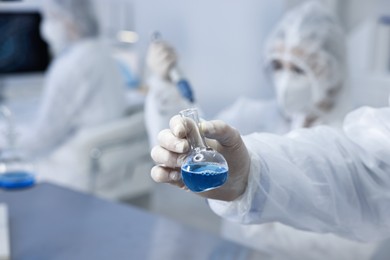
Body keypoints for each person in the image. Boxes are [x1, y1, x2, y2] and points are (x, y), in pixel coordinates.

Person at [146, 1, 375, 258]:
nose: (285, 80)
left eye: (298, 69)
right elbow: (194, 142)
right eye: (278, 65)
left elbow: (355, 238)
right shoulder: (253, 114)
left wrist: (253, 206)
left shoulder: (355, 146)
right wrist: (165, 85)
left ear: (332, 72)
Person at [5, 0, 127, 190]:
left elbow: (40, 139)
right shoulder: (101, 50)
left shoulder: (70, 66)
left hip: (73, 169)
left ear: (69, 20)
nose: (46, 25)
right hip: (106, 161)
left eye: (51, 17)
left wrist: (6, 136)